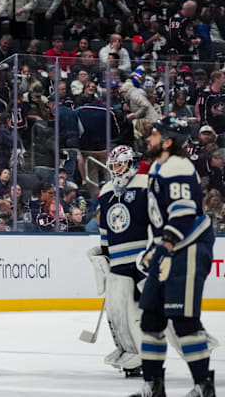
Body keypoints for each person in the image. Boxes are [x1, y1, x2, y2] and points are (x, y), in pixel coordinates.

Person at [129, 117, 216, 397]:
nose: (149, 138)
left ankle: (203, 387)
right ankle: (153, 385)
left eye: (154, 134)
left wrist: (163, 247)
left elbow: (182, 213)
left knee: (184, 319)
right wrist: (156, 247)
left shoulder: (177, 165)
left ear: (167, 141)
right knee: (151, 319)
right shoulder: (158, 166)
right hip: (169, 248)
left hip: (187, 248)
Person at [87, 146, 148, 377]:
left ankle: (150, 354)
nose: (115, 170)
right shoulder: (107, 190)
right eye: (113, 165)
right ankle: (132, 356)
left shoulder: (146, 184)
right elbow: (105, 227)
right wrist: (104, 252)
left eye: (120, 165)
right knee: (119, 311)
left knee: (145, 312)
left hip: (142, 260)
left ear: (131, 164)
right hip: (119, 261)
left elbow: (155, 218)